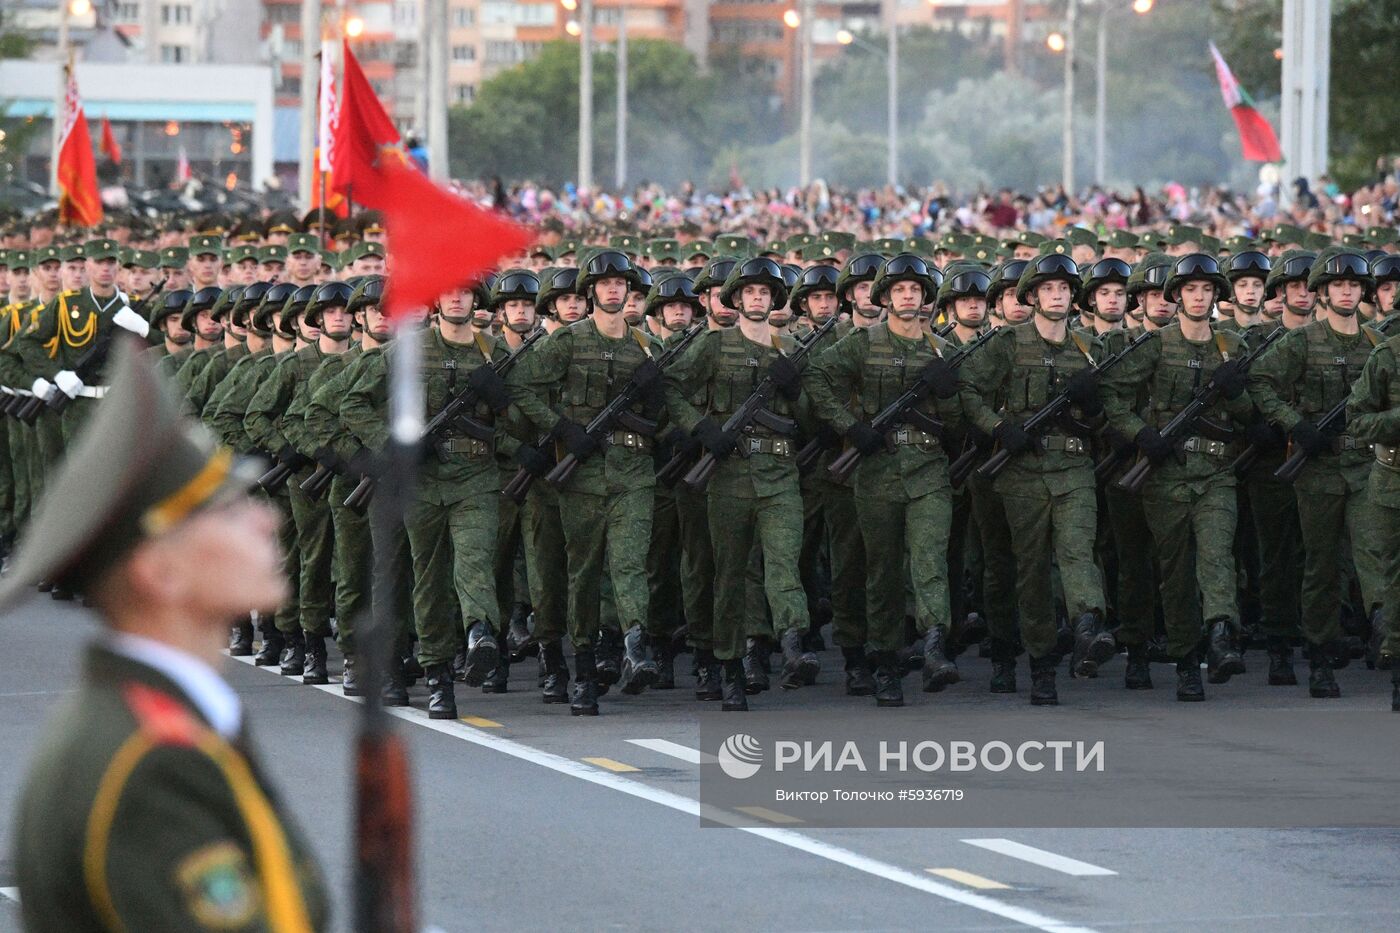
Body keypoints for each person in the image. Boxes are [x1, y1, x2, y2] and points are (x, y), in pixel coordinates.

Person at [6, 338, 328, 932]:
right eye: (227, 510)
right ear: (160, 572)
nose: (266, 518)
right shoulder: (151, 763)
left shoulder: (174, 720)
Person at [806, 254, 964, 706]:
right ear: (885, 297)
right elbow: (818, 377)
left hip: (928, 470)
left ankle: (934, 643)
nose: (908, 297)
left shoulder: (942, 351)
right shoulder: (862, 342)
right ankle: (885, 661)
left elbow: (955, 424)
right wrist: (850, 426)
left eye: (915, 290)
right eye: (900, 290)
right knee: (882, 573)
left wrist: (948, 392)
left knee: (929, 559)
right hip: (876, 471)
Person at [957, 253, 1110, 706]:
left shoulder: (1088, 349)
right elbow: (969, 389)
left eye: (1064, 289)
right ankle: (1041, 662)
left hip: (1074, 469)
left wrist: (1096, 405)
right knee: (1032, 572)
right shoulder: (1006, 344)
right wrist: (999, 428)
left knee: (1079, 552)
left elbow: (1106, 412)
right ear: (1032, 296)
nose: (1058, 296)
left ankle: (1086, 624)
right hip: (1021, 474)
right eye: (1048, 289)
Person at [1103, 254, 1253, 700]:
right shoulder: (1154, 346)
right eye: (1191, 290)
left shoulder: (1232, 347)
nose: (1200, 297)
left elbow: (1249, 415)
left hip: (1216, 472)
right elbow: (1113, 395)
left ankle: (1222, 633)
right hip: (1165, 475)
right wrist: (1142, 434)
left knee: (1216, 554)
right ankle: (1187, 659)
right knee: (1175, 570)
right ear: (1177, 296)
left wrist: (1237, 393)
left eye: (1207, 290)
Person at [1249, 248, 1387, 698]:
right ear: (1322, 292)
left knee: (1376, 554)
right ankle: (1321, 656)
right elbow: (1261, 382)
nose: (1346, 292)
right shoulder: (1303, 341)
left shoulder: (1376, 344)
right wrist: (1296, 425)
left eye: (1353, 285)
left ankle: (1386, 633)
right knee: (1322, 564)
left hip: (1368, 465)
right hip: (1319, 468)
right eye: (1337, 286)